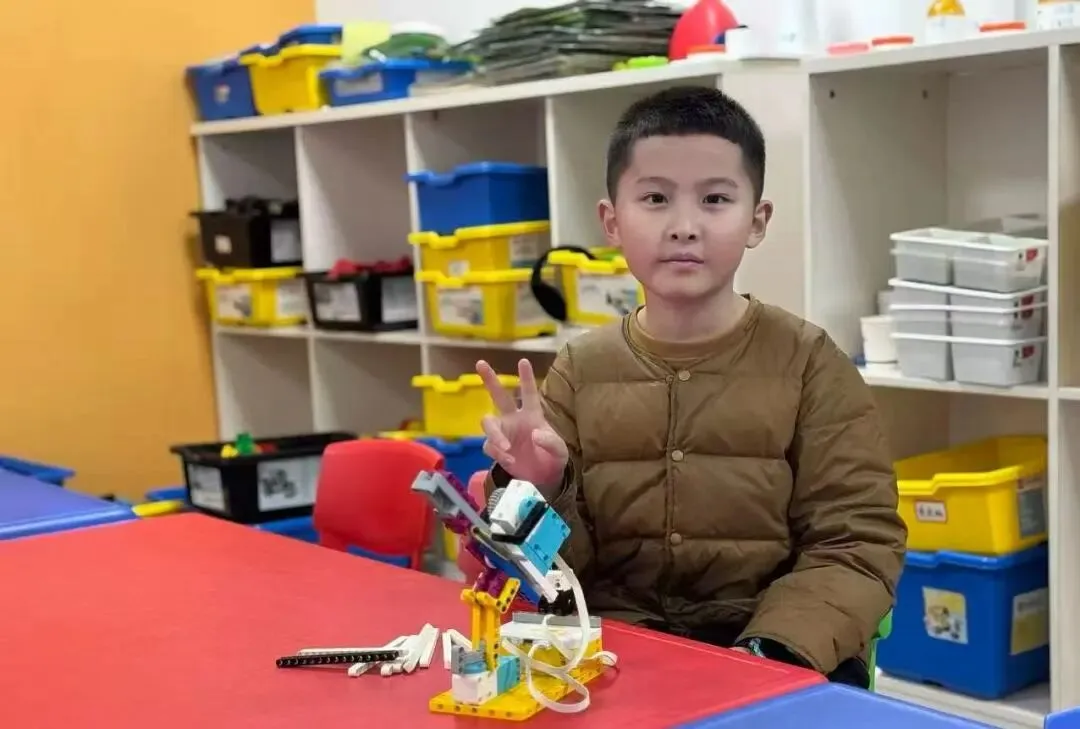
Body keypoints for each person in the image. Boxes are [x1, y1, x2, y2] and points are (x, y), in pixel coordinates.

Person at [475, 86, 907, 688]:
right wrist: (538, 489)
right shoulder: (578, 369)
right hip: (616, 660)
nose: (684, 227)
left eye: (715, 199)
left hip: (774, 659)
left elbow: (856, 542)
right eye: (655, 198)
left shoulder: (811, 363)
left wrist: (769, 654)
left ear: (757, 221)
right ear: (612, 222)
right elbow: (554, 575)